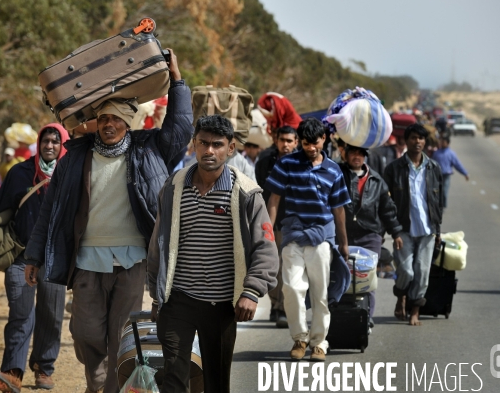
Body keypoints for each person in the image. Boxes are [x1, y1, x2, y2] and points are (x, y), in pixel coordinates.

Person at [24, 49, 193, 393]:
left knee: (121, 337)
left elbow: (179, 129)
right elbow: (51, 210)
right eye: (104, 119)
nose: (110, 125)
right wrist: (34, 255)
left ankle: (109, 389)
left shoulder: (149, 151)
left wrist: (177, 81)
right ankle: (95, 380)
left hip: (132, 261)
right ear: (96, 123)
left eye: (116, 119)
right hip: (87, 262)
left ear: (128, 122)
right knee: (85, 333)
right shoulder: (75, 159)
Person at [147, 115, 278, 393]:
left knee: (216, 382)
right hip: (177, 300)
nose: (209, 151)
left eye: (217, 145)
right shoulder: (173, 188)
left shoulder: (245, 193)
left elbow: (265, 246)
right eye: (203, 143)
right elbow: (158, 242)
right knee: (173, 378)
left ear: (230, 149)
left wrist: (251, 291)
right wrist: (156, 294)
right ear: (193, 145)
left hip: (221, 305)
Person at [0, 124, 69, 392]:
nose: (50, 145)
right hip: (20, 254)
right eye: (45, 140)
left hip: (55, 257)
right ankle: (13, 371)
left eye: (56, 141)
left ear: (62, 144)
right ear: (38, 143)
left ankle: (44, 368)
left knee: (51, 315)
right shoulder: (19, 173)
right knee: (21, 313)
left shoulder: (70, 174)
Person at [265, 118, 351, 362]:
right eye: (305, 143)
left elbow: (339, 210)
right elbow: (274, 200)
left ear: (324, 139)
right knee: (292, 288)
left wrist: (343, 243)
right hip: (292, 235)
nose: (310, 148)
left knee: (320, 294)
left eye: (314, 143)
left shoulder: (334, 170)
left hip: (322, 238)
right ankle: (300, 339)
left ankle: (319, 343)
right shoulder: (286, 164)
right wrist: (268, 236)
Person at [383, 123, 443, 326]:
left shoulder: (434, 168)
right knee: (406, 271)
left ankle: (415, 310)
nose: (417, 142)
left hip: (427, 231)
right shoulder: (394, 169)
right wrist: (392, 230)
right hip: (403, 230)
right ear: (406, 141)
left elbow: (438, 203)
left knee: (422, 271)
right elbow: (385, 202)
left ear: (425, 142)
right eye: (413, 138)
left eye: (421, 138)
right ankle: (401, 296)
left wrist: (438, 231)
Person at [338, 144, 404, 327]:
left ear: (365, 157)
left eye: (360, 153)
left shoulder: (377, 180)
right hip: (342, 234)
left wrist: (396, 233)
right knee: (340, 275)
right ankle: (338, 316)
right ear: (346, 154)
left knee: (367, 277)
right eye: (353, 153)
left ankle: (367, 317)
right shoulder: (336, 175)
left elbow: (388, 210)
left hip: (370, 235)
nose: (357, 157)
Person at [255, 125, 298, 327]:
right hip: (270, 221)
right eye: (283, 140)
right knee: (272, 266)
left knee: (288, 268)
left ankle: (282, 308)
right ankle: (275, 304)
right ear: (276, 140)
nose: (286, 144)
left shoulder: (301, 163)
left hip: (294, 223)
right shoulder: (265, 162)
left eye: (290, 141)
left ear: (296, 142)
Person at [430, 135, 469, 209]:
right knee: (436, 191)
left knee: (444, 191)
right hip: (437, 175)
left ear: (448, 143)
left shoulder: (451, 154)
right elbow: (431, 163)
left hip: (446, 175)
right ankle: (437, 205)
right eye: (441, 142)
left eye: (444, 142)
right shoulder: (436, 153)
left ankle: (442, 206)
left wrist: (465, 173)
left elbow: (457, 164)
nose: (442, 143)